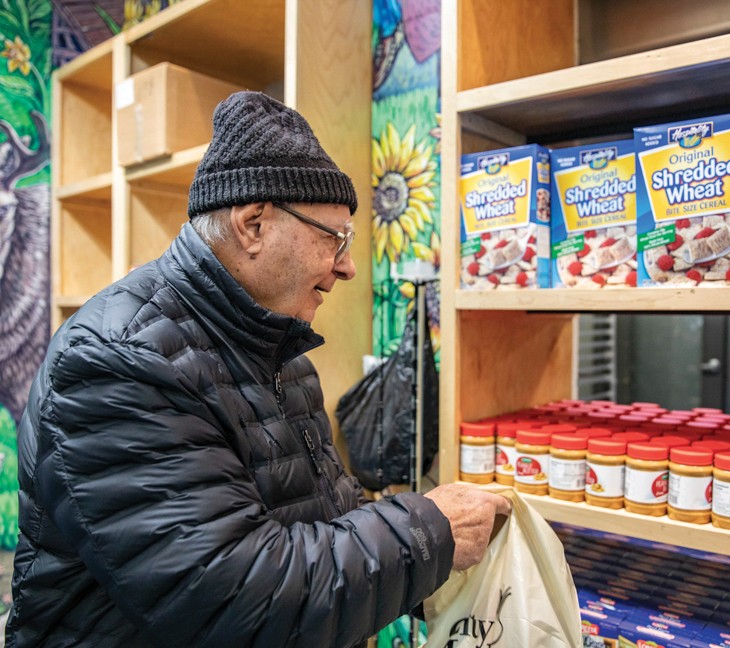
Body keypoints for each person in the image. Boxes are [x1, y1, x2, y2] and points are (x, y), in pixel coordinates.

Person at [6, 91, 510, 647]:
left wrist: (422, 570)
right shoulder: (119, 361)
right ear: (252, 224)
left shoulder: (278, 347)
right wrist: (426, 533)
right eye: (334, 239)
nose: (346, 267)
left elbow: (320, 525)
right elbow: (230, 601)